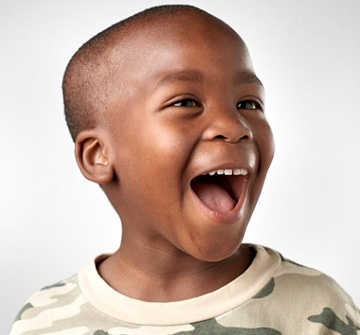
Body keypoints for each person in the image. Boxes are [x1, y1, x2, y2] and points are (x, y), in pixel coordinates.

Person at [10, 4, 359, 335]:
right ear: (98, 155)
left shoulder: (320, 310)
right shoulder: (42, 320)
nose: (235, 125)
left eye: (248, 103)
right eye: (186, 102)